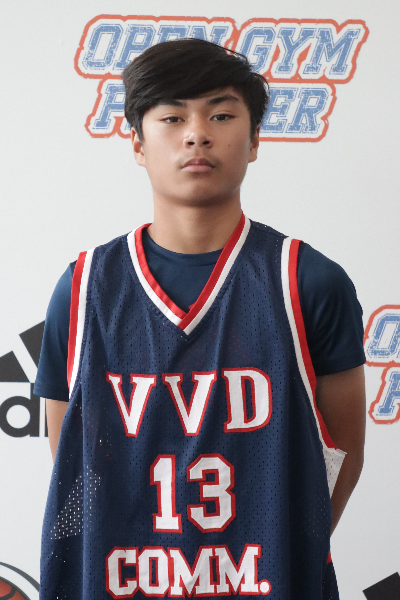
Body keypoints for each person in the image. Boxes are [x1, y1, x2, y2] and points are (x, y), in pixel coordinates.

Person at [35, 38, 366, 600]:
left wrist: (280, 546)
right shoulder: (85, 288)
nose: (196, 134)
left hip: (265, 580)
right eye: (172, 117)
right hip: (122, 579)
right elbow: (74, 462)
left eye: (220, 115)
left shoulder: (307, 281)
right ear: (137, 144)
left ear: (254, 140)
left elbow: (340, 455)